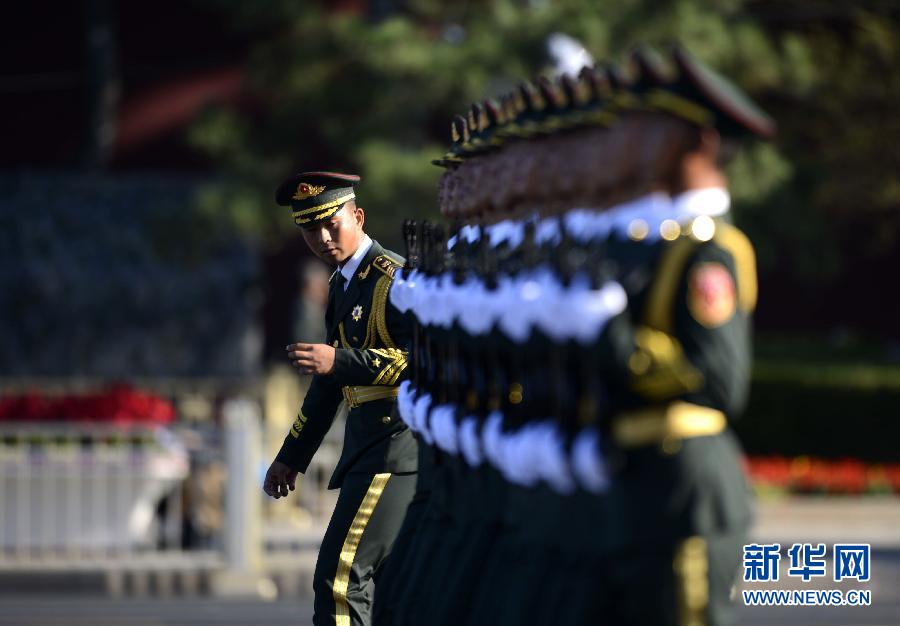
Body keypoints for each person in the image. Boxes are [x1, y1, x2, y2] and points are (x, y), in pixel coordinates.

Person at [262, 171, 418, 626]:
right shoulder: (342, 284)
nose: (324, 237)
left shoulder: (395, 278)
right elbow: (326, 386)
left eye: (333, 223)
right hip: (371, 448)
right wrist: (292, 455)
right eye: (311, 229)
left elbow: (426, 361)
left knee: (340, 581)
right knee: (387, 589)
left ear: (359, 216)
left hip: (396, 447)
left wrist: (341, 361)